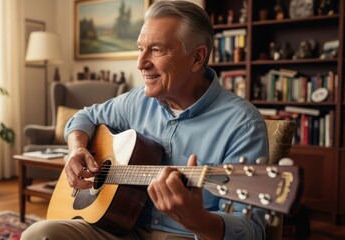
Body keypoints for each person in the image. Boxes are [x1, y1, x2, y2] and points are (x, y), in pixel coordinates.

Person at [21, 1, 268, 239]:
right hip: (120, 228)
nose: (140, 63)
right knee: (38, 234)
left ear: (197, 58)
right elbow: (83, 116)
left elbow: (252, 231)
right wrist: (77, 148)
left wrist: (198, 220)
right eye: (141, 48)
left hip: (187, 235)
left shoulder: (243, 124)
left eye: (157, 49)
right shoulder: (136, 100)